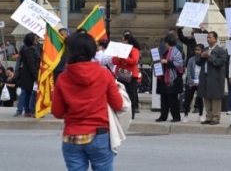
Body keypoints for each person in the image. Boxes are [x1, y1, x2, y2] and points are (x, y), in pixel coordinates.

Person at [51, 31, 123, 171]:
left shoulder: (63, 78)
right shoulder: (104, 74)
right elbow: (118, 104)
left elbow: (57, 112)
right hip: (99, 135)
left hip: (72, 135)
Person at [197, 31, 227, 125]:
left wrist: (209, 56)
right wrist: (202, 56)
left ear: (215, 39)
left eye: (210, 37)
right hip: (205, 77)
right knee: (207, 97)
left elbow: (219, 63)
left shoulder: (221, 50)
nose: (208, 39)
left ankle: (216, 117)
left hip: (215, 78)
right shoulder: (205, 49)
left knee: (215, 98)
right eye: (207, 37)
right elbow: (198, 62)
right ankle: (208, 117)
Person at [112, 31, 141, 119]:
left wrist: (124, 58)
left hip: (131, 75)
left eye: (123, 40)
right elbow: (114, 61)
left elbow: (134, 61)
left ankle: (131, 113)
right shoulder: (120, 50)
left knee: (131, 94)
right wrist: (119, 57)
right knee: (121, 93)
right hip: (121, 73)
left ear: (127, 41)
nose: (122, 42)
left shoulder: (134, 50)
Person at [155, 34, 184, 122]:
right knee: (163, 98)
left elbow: (179, 64)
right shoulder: (165, 52)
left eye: (166, 43)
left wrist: (167, 61)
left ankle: (176, 116)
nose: (165, 44)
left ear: (168, 43)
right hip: (164, 77)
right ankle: (163, 116)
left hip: (173, 79)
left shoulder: (176, 51)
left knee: (172, 99)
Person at [16, 33, 39, 117]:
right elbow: (31, 64)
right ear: (31, 40)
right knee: (30, 92)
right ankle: (30, 110)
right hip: (29, 75)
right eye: (35, 39)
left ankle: (27, 110)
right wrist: (36, 76)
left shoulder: (28, 48)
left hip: (27, 74)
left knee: (27, 92)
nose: (37, 41)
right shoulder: (29, 50)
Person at [183, 44, 204, 124]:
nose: (197, 52)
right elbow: (188, 71)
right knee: (188, 99)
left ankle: (201, 115)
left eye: (199, 50)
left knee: (199, 99)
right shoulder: (191, 60)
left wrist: (200, 82)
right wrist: (191, 81)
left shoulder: (204, 60)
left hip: (200, 82)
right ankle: (185, 115)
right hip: (191, 83)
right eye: (196, 50)